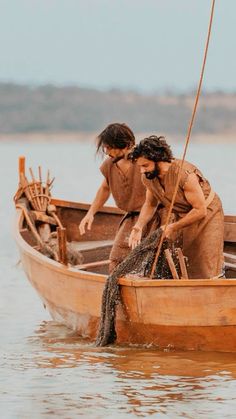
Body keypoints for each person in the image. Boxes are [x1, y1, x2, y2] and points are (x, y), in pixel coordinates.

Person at [128, 135, 224, 279]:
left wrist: (172, 227)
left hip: (207, 214)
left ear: (158, 160)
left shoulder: (184, 175)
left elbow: (200, 210)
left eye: (145, 165)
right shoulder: (148, 177)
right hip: (180, 214)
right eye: (140, 166)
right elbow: (150, 203)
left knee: (205, 262)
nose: (142, 171)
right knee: (177, 256)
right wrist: (138, 227)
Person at [79, 123, 152, 272]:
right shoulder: (110, 164)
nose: (106, 152)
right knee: (117, 258)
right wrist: (90, 213)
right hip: (131, 218)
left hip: (154, 215)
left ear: (124, 145)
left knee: (151, 258)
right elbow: (105, 189)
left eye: (109, 147)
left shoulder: (144, 162)